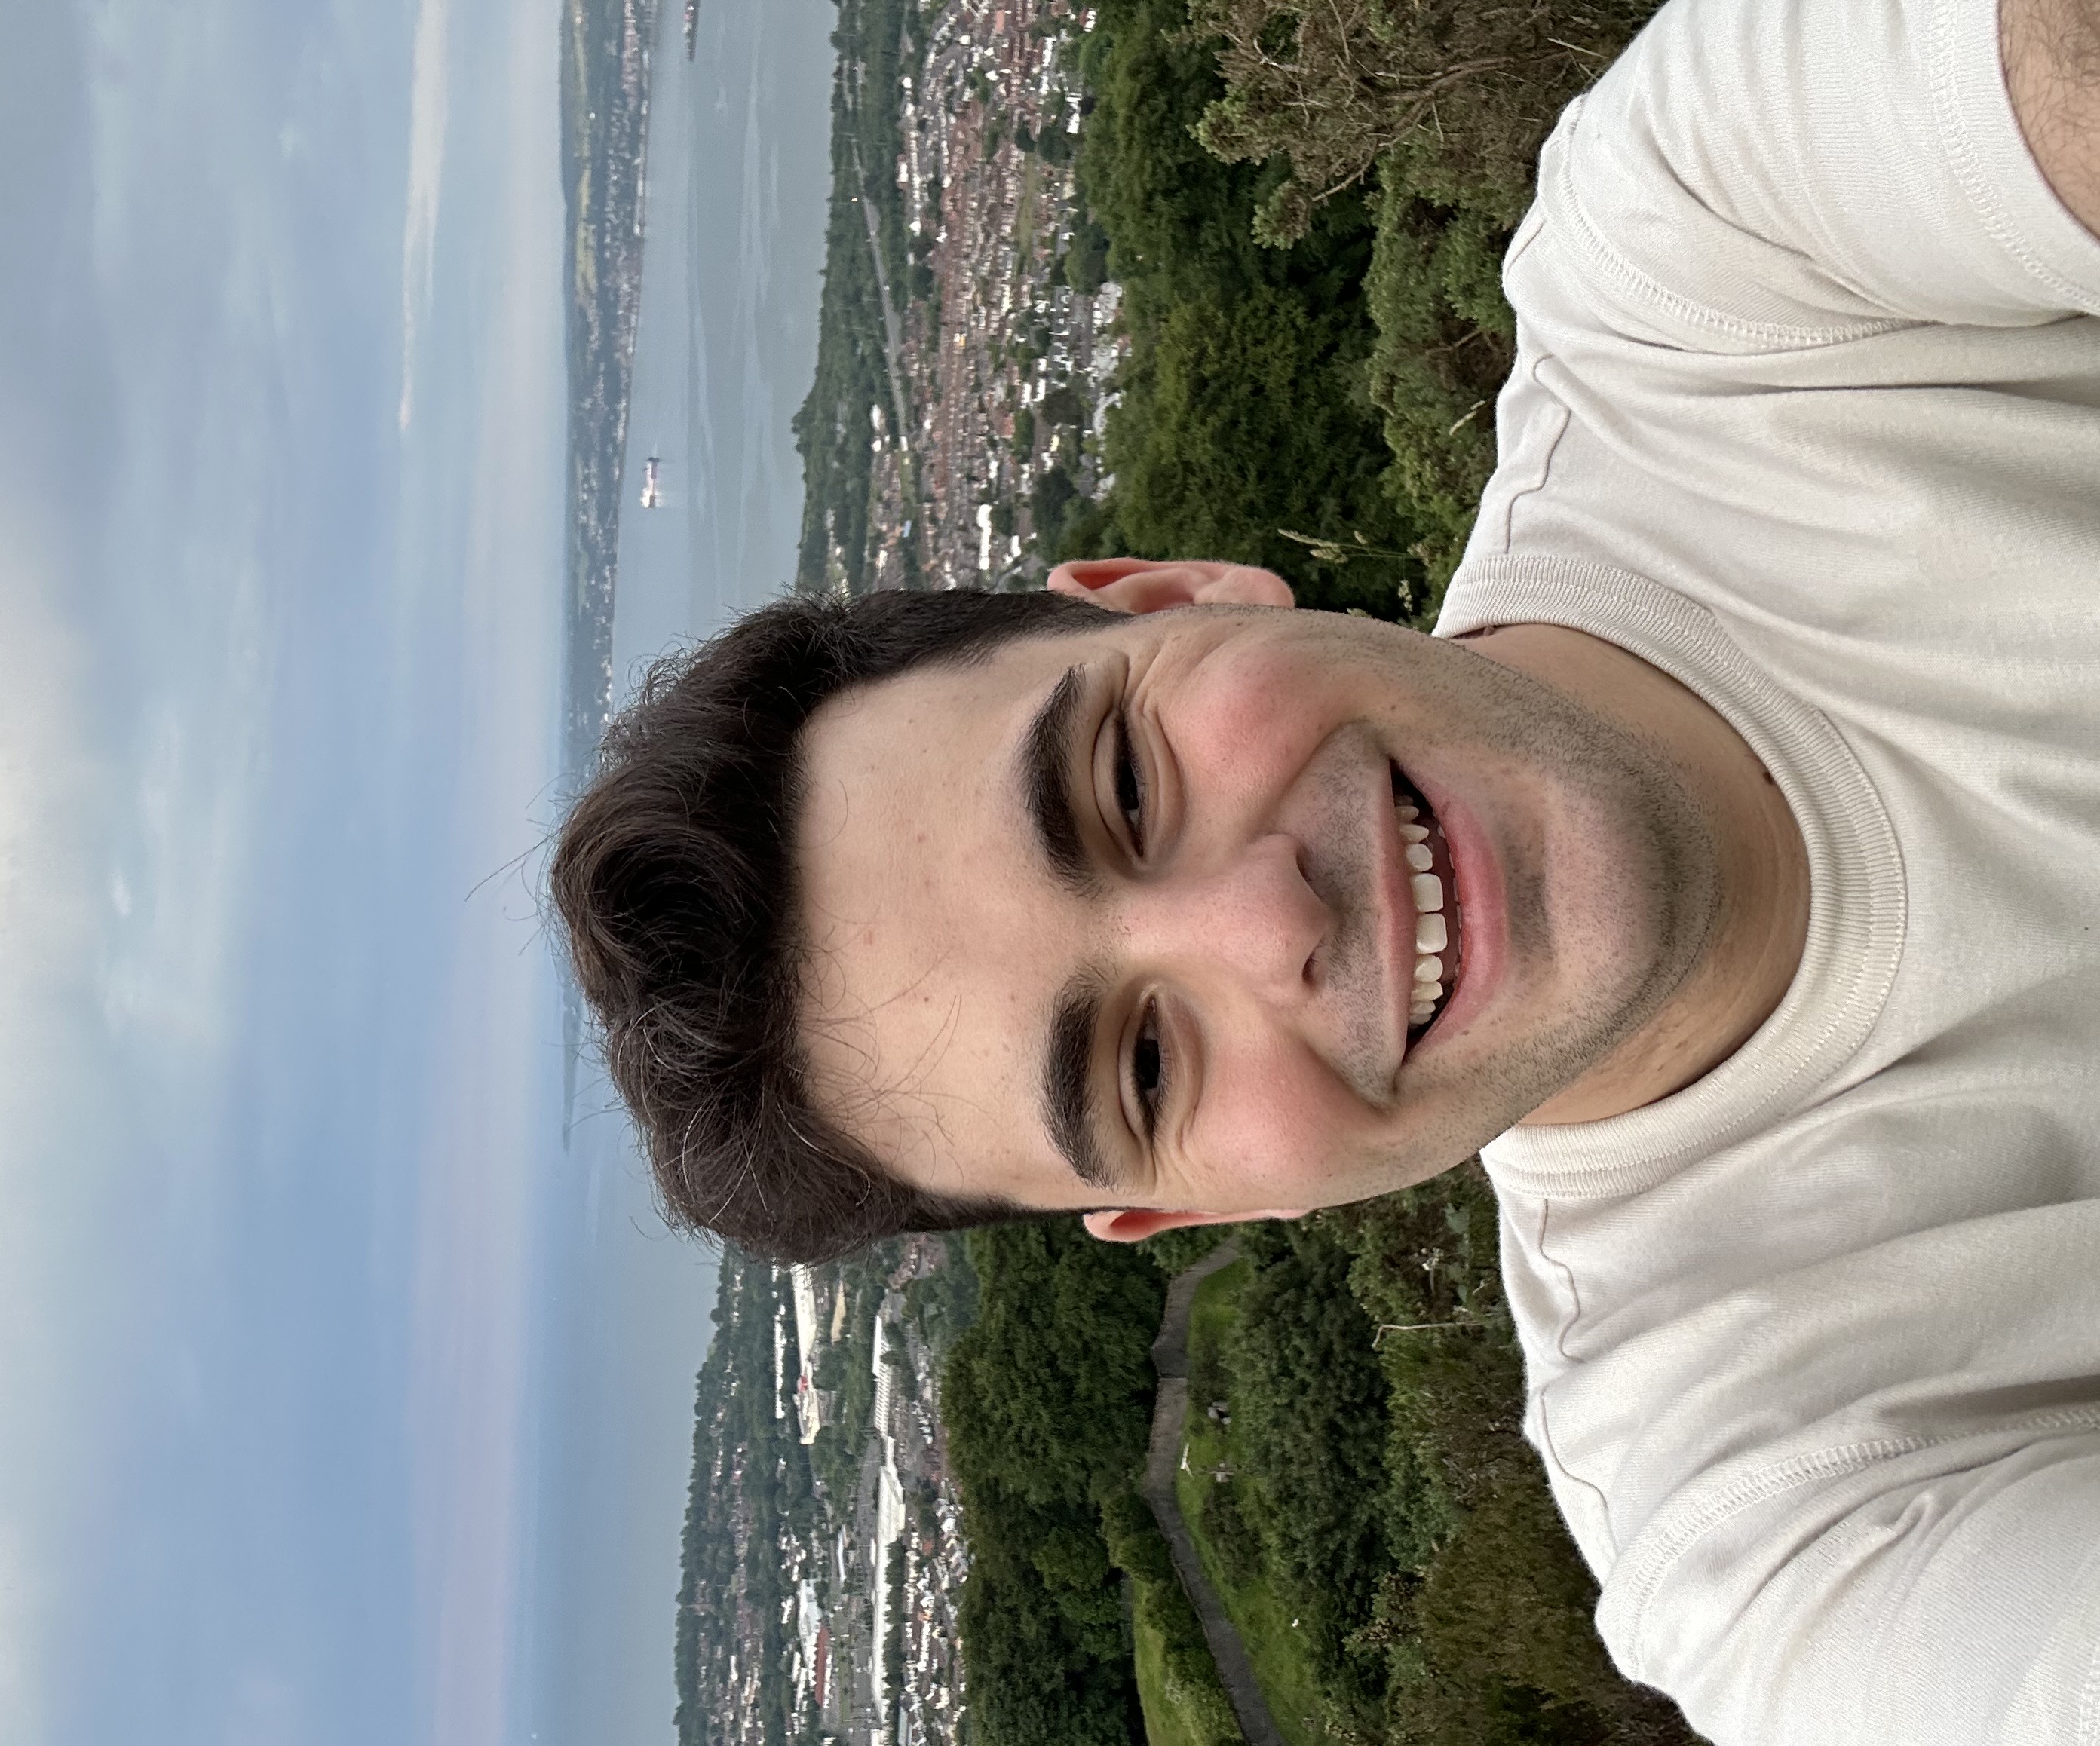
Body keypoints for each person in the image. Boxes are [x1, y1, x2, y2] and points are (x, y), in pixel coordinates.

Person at [553, 0, 2100, 1735]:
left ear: (1179, 596)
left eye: (1122, 782)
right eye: (1142, 1061)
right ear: (1206, 1210)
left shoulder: (1695, 269)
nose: (1264, 921)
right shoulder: (1781, 1530)